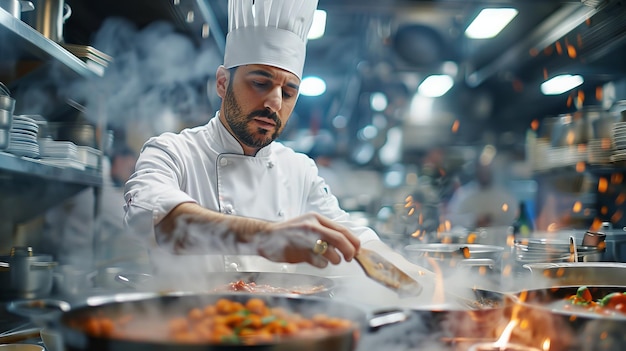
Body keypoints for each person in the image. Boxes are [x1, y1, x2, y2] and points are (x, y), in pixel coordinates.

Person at [123, 0, 430, 282]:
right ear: (222, 82)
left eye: (289, 91)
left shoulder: (299, 170)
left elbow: (350, 236)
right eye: (260, 82)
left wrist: (419, 278)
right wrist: (265, 236)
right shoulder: (172, 152)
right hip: (184, 329)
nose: (274, 102)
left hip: (279, 328)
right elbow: (148, 216)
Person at [445, 146, 519, 244]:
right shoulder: (464, 195)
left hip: (500, 245)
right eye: (481, 169)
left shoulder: (505, 197)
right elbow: (453, 220)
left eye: (487, 169)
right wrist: (474, 219)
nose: (484, 173)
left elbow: (514, 219)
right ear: (476, 169)